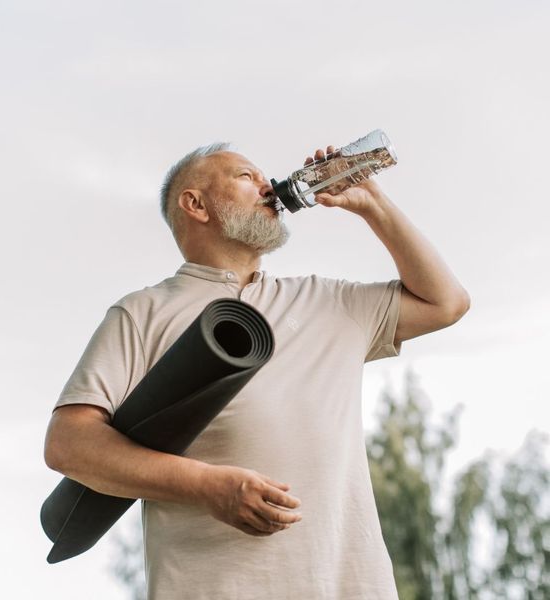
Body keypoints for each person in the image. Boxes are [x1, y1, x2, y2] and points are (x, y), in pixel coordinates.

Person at [44, 142, 470, 599]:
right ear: (196, 204)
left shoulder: (330, 301)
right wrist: (207, 485)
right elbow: (68, 444)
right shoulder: (143, 312)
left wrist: (374, 204)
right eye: (246, 177)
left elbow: (445, 302)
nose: (268, 185)